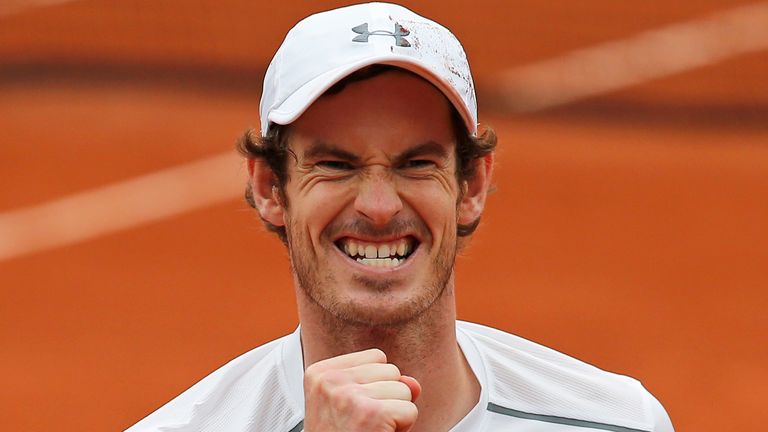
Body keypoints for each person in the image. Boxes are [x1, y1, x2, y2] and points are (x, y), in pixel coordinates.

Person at [127, 3, 674, 431]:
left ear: (471, 186)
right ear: (271, 187)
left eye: (416, 163)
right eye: (336, 165)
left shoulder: (618, 423)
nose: (380, 205)